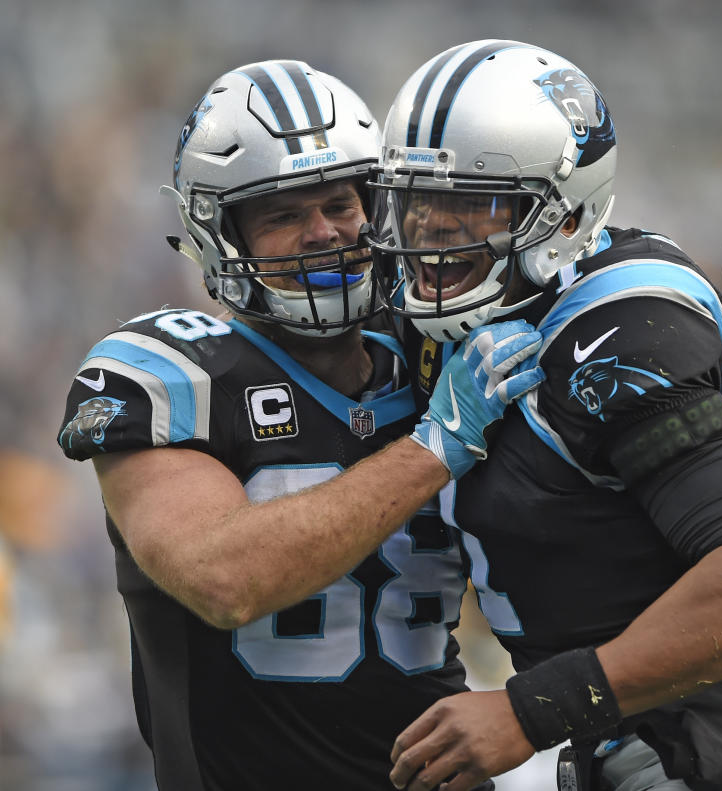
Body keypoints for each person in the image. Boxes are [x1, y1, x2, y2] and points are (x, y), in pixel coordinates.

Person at [369, 40, 722, 791]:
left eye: (470, 209)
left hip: (719, 751)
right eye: (418, 203)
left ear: (559, 214)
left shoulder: (614, 331)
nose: (430, 237)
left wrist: (529, 712)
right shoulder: (463, 317)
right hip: (630, 740)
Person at [56, 59, 544, 791]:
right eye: (282, 215)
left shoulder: (435, 351)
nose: (322, 234)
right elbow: (226, 580)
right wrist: (432, 447)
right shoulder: (167, 369)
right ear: (221, 236)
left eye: (339, 205)